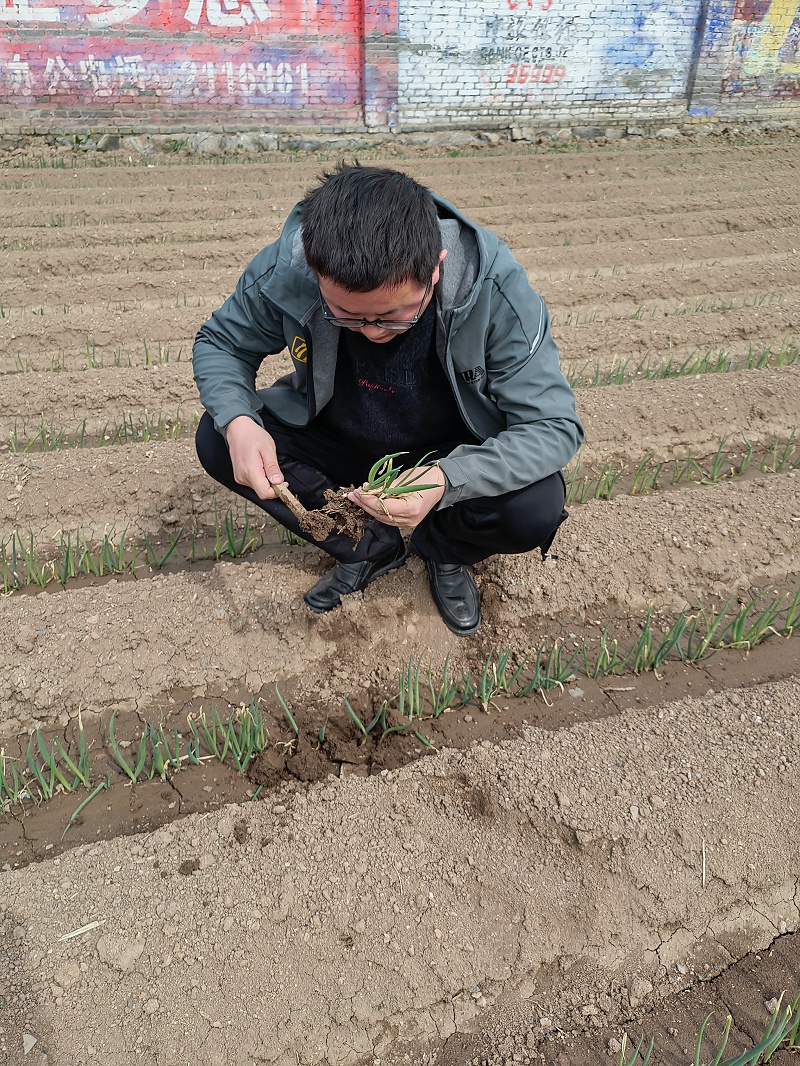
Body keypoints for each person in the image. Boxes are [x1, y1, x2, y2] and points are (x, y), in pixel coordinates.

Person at [193, 163, 583, 637]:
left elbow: (553, 427)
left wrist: (446, 479)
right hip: (341, 433)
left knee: (532, 506)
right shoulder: (288, 267)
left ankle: (442, 549)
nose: (373, 332)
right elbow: (223, 344)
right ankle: (369, 547)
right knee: (218, 438)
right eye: (346, 316)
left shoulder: (492, 289)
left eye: (394, 316)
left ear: (435, 267)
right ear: (317, 273)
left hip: (448, 449)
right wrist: (238, 422)